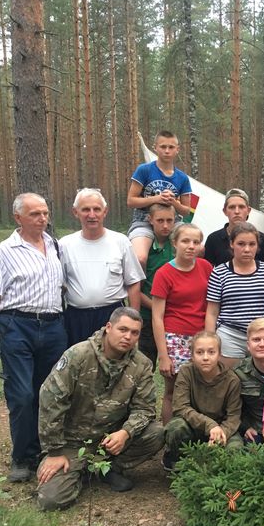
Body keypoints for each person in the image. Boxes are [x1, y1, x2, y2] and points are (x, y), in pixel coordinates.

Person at [36, 308, 164, 510]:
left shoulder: (141, 364)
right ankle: (79, 470)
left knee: (156, 432)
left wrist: (125, 432)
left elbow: (145, 409)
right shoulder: (78, 355)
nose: (128, 337)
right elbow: (51, 402)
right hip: (72, 443)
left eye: (134, 333)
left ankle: (109, 468)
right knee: (52, 501)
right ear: (108, 327)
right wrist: (54, 451)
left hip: (110, 441)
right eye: (123, 329)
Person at [0, 193, 67, 482]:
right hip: (18, 326)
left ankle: (45, 450)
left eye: (45, 213)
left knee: (48, 392)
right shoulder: (5, 251)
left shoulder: (54, 246)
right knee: (22, 394)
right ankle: (22, 456)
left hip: (53, 326)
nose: (42, 219)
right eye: (35, 214)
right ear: (18, 217)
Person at [60, 189, 145, 347]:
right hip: (76, 319)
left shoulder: (120, 242)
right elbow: (59, 286)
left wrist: (133, 321)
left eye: (97, 209)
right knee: (79, 360)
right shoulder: (65, 245)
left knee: (113, 359)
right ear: (75, 212)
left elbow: (133, 283)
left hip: (112, 316)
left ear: (105, 212)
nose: (92, 215)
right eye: (86, 209)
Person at [151, 224, 214, 424]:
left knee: (201, 388)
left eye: (196, 242)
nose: (191, 246)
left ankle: (197, 432)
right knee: (173, 390)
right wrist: (163, 356)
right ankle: (169, 434)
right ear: (174, 243)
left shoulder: (206, 267)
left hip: (201, 337)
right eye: (185, 241)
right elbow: (157, 316)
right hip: (175, 338)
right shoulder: (164, 273)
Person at [163, 331, 243, 470]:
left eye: (211, 352)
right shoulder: (186, 372)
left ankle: (216, 470)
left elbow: (234, 416)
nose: (205, 357)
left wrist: (220, 433)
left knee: (235, 448)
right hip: (193, 425)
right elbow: (180, 407)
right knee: (176, 428)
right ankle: (176, 461)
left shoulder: (232, 380)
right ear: (192, 356)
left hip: (221, 428)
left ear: (219, 354)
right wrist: (209, 425)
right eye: (200, 352)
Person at [206, 222, 264, 367]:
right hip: (230, 335)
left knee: (262, 378)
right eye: (241, 244)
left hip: (261, 335)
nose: (247, 249)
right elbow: (212, 312)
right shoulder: (219, 273)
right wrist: (210, 341)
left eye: (252, 244)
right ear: (232, 244)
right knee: (231, 378)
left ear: (257, 246)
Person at [127, 130, 192, 266]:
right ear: (155, 147)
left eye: (171, 147)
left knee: (195, 250)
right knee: (140, 258)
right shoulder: (144, 170)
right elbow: (131, 201)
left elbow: (186, 211)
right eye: (163, 147)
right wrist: (157, 199)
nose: (167, 151)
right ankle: (140, 281)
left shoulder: (182, 178)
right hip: (143, 221)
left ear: (177, 149)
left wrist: (173, 202)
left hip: (173, 222)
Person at [139, 204, 178, 368]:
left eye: (169, 220)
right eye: (160, 220)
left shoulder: (177, 246)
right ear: (150, 220)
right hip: (148, 316)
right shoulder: (143, 248)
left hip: (173, 317)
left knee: (173, 366)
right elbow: (135, 291)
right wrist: (158, 308)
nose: (165, 225)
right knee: (145, 365)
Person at [234, 318, 264, 444]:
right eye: (256, 340)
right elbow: (233, 408)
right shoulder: (238, 373)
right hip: (255, 430)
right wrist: (245, 427)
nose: (262, 344)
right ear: (248, 345)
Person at [204, 188, 264, 266]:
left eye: (241, 207)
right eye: (232, 207)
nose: (237, 211)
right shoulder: (213, 239)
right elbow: (206, 269)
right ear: (225, 211)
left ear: (248, 210)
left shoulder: (261, 238)